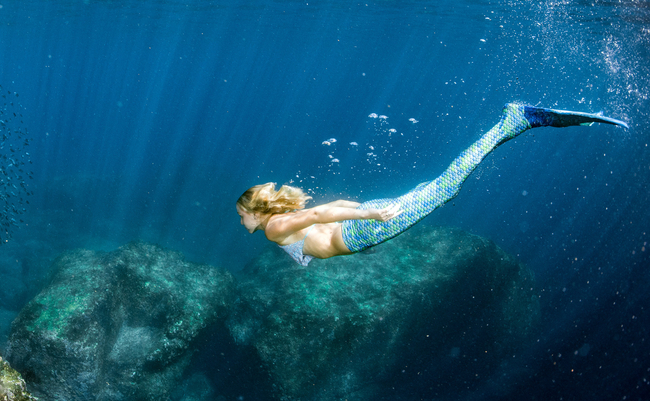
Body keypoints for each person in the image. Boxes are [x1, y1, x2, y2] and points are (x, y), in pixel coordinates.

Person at [236, 103, 628, 265]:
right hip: (362, 227)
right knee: (437, 186)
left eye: (242, 216)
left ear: (257, 211)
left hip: (364, 227)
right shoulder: (282, 219)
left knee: (447, 187)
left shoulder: (273, 229)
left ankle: (516, 119)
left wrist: (369, 215)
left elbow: (323, 212)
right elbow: (325, 211)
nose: (241, 224)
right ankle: (517, 122)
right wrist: (363, 213)